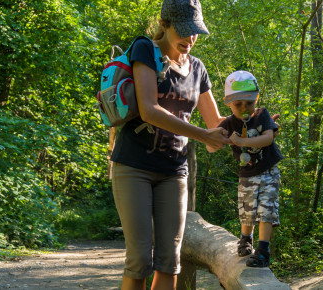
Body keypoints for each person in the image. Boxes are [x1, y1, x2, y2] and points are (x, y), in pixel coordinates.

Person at [109, 0, 229, 289]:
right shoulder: (145, 51)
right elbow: (149, 109)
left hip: (174, 171)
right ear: (164, 25)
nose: (191, 38)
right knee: (139, 262)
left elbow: (215, 123)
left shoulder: (198, 68)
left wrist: (251, 119)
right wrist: (202, 135)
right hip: (133, 166)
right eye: (185, 31)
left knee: (170, 262)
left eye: (196, 31)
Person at [215, 70, 283, 268]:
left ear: (257, 99)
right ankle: (246, 240)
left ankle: (263, 250)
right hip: (246, 174)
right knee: (247, 209)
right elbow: (214, 140)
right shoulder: (229, 123)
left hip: (268, 171)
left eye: (249, 103)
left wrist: (243, 140)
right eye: (238, 104)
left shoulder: (262, 115)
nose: (245, 108)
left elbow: (268, 138)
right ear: (228, 102)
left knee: (266, 210)